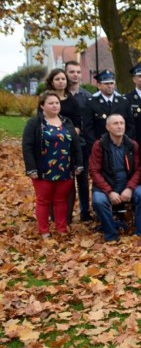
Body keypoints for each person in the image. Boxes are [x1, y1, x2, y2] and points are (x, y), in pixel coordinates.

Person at [22, 91, 83, 238]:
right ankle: (44, 231)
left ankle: (61, 229)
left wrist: (78, 164)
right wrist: (31, 168)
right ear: (42, 106)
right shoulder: (34, 123)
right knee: (43, 201)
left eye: (57, 103)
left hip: (65, 168)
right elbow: (27, 147)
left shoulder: (66, 122)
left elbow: (75, 145)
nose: (55, 105)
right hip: (43, 170)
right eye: (51, 103)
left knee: (61, 200)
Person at [89, 114, 141, 241]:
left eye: (122, 123)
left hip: (127, 184)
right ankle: (111, 235)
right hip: (106, 185)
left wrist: (130, 188)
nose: (119, 126)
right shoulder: (99, 145)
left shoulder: (132, 145)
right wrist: (109, 191)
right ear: (107, 127)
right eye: (115, 123)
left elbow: (139, 169)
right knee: (98, 201)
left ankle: (139, 233)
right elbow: (94, 171)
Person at [44, 69, 82, 223]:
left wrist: (70, 135)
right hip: (50, 146)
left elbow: (77, 123)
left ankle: (66, 217)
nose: (61, 81)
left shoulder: (72, 100)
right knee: (51, 183)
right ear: (52, 81)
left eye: (63, 79)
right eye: (57, 79)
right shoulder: (46, 99)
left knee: (68, 184)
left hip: (68, 146)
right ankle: (53, 215)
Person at [65, 60, 92, 221]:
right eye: (71, 72)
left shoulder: (87, 97)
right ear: (66, 73)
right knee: (66, 182)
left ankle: (85, 211)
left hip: (83, 145)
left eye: (78, 72)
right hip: (63, 145)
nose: (75, 75)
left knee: (83, 180)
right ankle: (66, 213)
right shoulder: (59, 97)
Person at [83, 69, 135, 151]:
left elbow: (130, 126)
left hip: (121, 146)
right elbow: (88, 129)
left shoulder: (123, 102)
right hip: (100, 147)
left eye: (111, 83)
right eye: (106, 83)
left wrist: (125, 142)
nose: (109, 86)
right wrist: (96, 145)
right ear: (99, 85)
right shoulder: (91, 103)